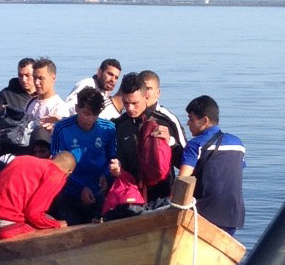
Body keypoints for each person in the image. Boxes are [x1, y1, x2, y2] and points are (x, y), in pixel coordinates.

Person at [102, 79, 176, 217]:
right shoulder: (118, 125)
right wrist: (115, 168)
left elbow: (184, 158)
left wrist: (171, 141)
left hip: (161, 194)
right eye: (126, 103)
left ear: (145, 96)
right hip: (130, 194)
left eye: (135, 103)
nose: (130, 108)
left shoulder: (164, 122)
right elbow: (110, 157)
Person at [48, 87, 117, 224]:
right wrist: (80, 189)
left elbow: (113, 159)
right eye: (86, 114)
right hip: (69, 191)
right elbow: (55, 166)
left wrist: (106, 176)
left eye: (95, 114)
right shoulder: (61, 128)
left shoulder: (109, 128)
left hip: (98, 190)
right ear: (77, 108)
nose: (90, 119)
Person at [0, 149, 75, 240]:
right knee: (57, 234)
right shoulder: (56, 175)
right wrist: (57, 225)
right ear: (69, 172)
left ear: (51, 158)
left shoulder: (21, 159)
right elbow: (34, 214)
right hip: (5, 229)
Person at [183, 95, 246, 234]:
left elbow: (183, 179)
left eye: (191, 119)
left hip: (204, 213)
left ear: (204, 120)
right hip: (232, 214)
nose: (188, 123)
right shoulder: (238, 144)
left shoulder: (195, 144)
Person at [0, 58, 38, 152]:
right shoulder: (7, 94)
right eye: (20, 75)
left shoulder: (42, 95)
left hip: (34, 142)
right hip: (10, 143)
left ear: (35, 75)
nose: (24, 80)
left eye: (27, 75)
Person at [23, 58, 73, 148]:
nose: (37, 83)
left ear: (53, 78)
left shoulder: (59, 107)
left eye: (41, 78)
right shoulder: (31, 102)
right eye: (35, 78)